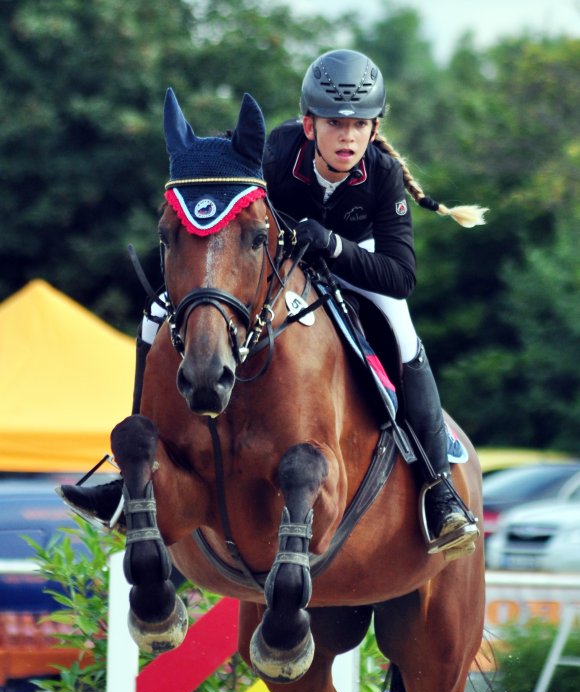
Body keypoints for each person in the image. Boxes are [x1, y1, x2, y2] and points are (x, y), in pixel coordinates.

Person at [60, 49, 485, 558]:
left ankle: (438, 488)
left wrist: (331, 245)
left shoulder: (383, 174)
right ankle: (133, 476)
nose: (347, 137)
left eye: (359, 125)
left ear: (374, 129)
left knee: (403, 331)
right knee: (155, 317)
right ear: (309, 124)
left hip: (358, 264)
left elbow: (400, 277)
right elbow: (229, 211)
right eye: (334, 123)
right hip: (273, 265)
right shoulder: (276, 153)